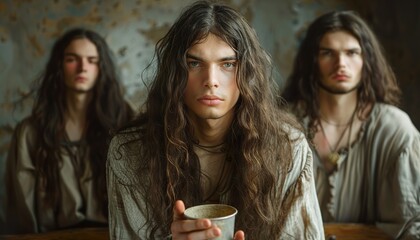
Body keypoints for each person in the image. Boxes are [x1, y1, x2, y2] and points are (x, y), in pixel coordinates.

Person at [106, 1, 324, 240]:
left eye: (227, 64)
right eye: (194, 63)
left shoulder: (287, 148)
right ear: (174, 73)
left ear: (248, 73)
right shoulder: (130, 152)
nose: (211, 80)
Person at [282, 10, 420, 239]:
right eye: (328, 53)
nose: (341, 64)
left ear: (367, 60)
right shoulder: (284, 125)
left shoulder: (394, 129)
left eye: (352, 53)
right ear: (311, 60)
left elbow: (413, 225)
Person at [4, 28, 134, 233]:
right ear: (59, 66)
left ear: (102, 68)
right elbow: (21, 211)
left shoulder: (124, 120)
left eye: (92, 60)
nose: (82, 68)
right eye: (72, 59)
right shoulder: (30, 133)